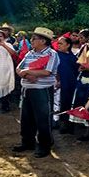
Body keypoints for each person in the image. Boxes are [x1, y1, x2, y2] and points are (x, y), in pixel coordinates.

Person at [14, 27, 60, 158]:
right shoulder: (30, 53)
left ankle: (44, 145)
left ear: (43, 41)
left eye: (34, 38)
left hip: (42, 90)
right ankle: (27, 142)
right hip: (27, 88)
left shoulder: (51, 54)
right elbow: (19, 68)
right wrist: (27, 76)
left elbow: (47, 72)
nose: (31, 40)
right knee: (26, 117)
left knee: (43, 119)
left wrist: (27, 72)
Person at [55, 36, 79, 133]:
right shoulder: (56, 55)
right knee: (61, 103)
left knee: (70, 104)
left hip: (71, 83)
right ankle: (61, 123)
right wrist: (58, 80)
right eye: (58, 43)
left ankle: (70, 125)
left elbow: (76, 70)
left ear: (68, 45)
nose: (58, 45)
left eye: (61, 43)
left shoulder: (73, 57)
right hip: (60, 83)